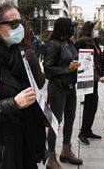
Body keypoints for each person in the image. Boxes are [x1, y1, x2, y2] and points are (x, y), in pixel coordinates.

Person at [0, 0, 46, 169]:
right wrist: (13, 104)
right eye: (13, 24)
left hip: (25, 142)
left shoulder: (19, 54)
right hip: (2, 151)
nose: (19, 27)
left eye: (20, 22)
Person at [43, 17, 83, 168]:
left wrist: (85, 64)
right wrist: (68, 69)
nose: (73, 30)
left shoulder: (70, 44)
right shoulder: (53, 45)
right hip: (57, 88)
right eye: (71, 27)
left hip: (70, 87)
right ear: (64, 29)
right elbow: (47, 70)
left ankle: (66, 150)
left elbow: (76, 60)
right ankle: (51, 157)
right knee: (55, 122)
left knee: (70, 119)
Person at [75, 21, 104, 145]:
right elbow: (87, 62)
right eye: (95, 29)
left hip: (94, 77)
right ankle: (82, 132)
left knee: (92, 103)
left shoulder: (92, 42)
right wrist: (98, 76)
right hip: (89, 77)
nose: (97, 31)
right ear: (90, 29)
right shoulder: (85, 42)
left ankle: (88, 130)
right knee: (90, 103)